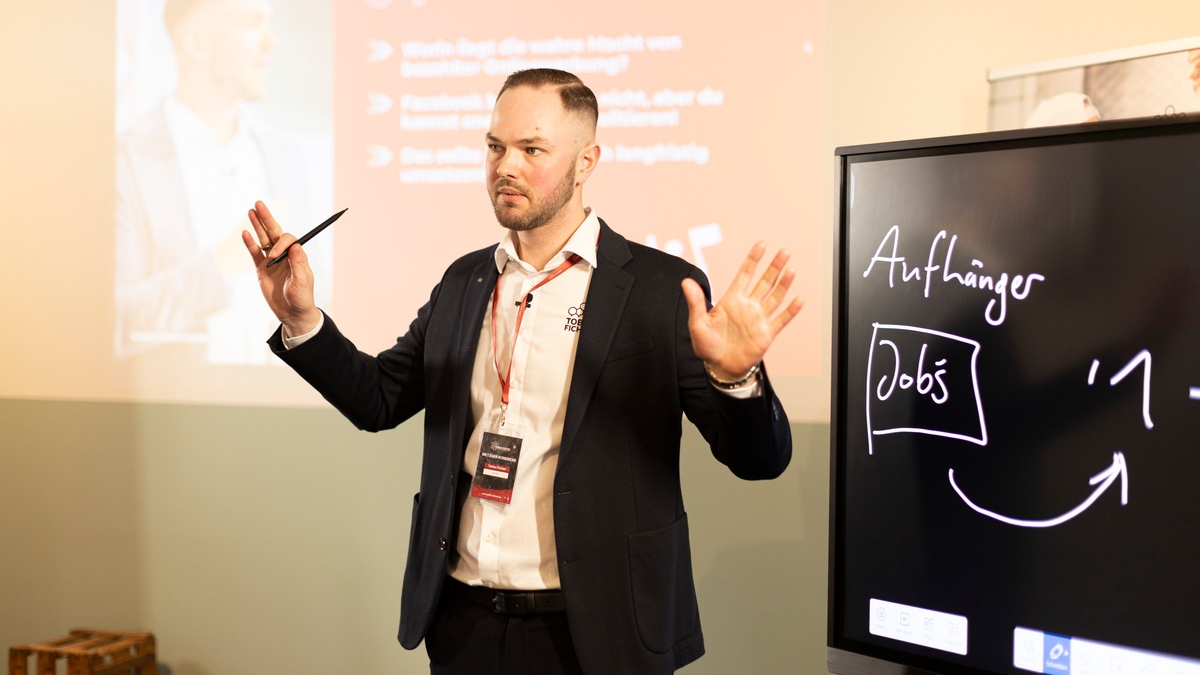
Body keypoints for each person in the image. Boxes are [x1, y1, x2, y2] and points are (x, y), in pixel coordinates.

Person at [243, 68, 803, 675]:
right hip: (464, 623)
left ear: (586, 161)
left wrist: (737, 378)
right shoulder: (465, 281)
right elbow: (379, 399)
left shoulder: (661, 290)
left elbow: (758, 460)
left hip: (599, 632)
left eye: (531, 149)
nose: (505, 165)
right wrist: (302, 318)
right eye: (495, 146)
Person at [115, 0, 329, 362]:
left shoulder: (286, 156)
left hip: (282, 403)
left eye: (269, 23)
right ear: (196, 43)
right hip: (173, 408)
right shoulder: (127, 160)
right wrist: (219, 265)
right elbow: (115, 319)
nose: (271, 41)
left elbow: (319, 299)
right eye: (250, 23)